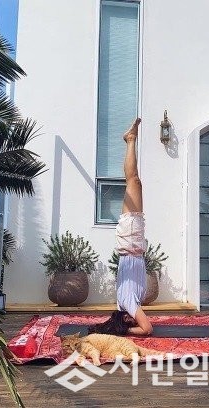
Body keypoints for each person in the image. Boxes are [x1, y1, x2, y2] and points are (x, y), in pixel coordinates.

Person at [88, 118, 153, 336]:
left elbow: (147, 329)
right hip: (133, 244)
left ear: (125, 319)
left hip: (130, 241)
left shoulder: (127, 304)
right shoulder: (125, 303)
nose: (136, 318)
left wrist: (127, 331)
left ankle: (130, 139)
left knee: (133, 181)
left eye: (131, 320)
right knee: (135, 182)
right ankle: (130, 140)